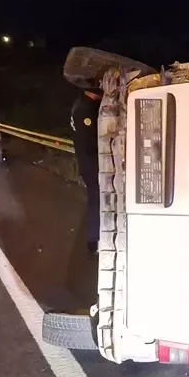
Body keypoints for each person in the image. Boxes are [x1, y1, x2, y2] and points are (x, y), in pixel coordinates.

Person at [70, 86, 102, 253]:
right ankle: (94, 240)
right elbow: (91, 142)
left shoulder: (81, 104)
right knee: (96, 202)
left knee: (95, 201)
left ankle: (94, 238)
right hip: (92, 164)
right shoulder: (85, 110)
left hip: (87, 163)